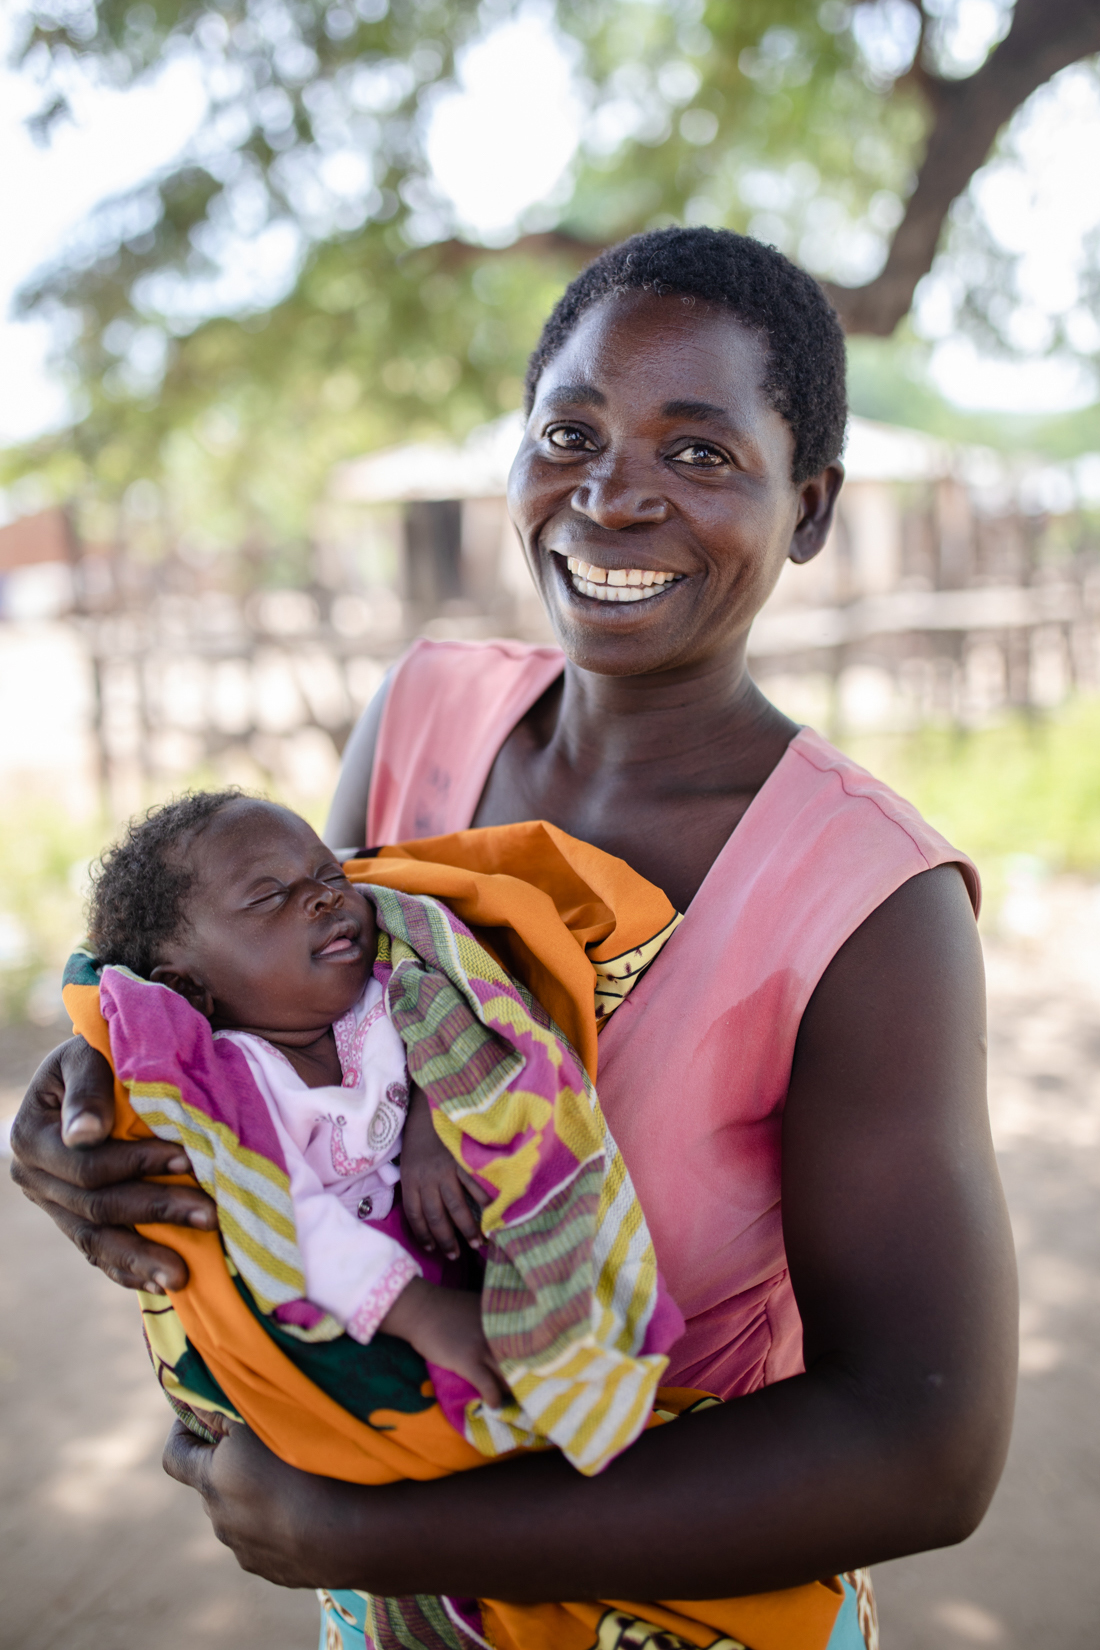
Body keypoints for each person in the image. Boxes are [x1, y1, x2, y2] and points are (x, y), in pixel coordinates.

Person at [11, 227, 1017, 1639]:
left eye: (702, 454)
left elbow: (927, 1446)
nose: (612, 497)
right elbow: (279, 1039)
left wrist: (377, 1527)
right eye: (573, 430)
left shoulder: (868, 905)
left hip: (680, 1607)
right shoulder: (423, 716)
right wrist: (88, 1122)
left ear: (811, 506)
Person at [83, 788, 506, 1410]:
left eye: (330, 873)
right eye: (269, 896)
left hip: (467, 1277)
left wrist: (430, 1125)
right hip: (369, 1321)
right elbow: (279, 1210)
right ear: (188, 986)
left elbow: (466, 1045)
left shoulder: (394, 993)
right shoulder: (237, 1083)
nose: (324, 895)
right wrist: (419, 1311)